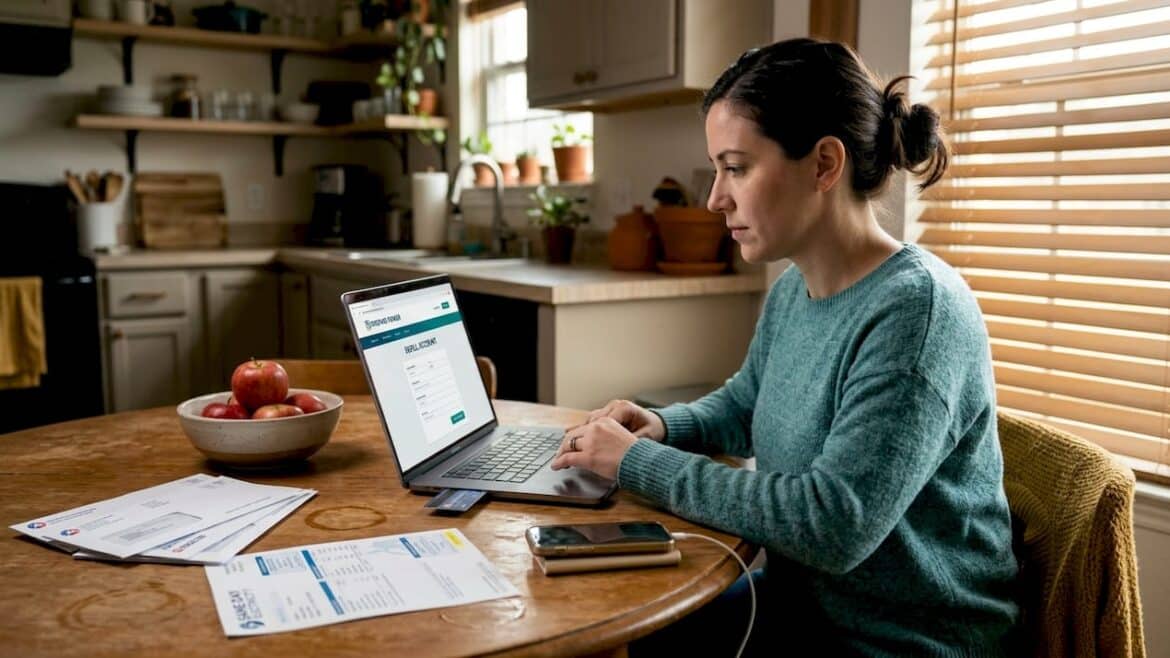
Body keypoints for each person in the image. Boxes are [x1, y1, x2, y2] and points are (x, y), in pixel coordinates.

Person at [550, 38, 1020, 656]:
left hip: (901, 641)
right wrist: (661, 427)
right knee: (613, 633)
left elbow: (832, 524)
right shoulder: (796, 285)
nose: (716, 197)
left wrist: (637, 464)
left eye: (736, 167)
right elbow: (747, 405)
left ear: (825, 164)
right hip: (805, 611)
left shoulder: (918, 313)